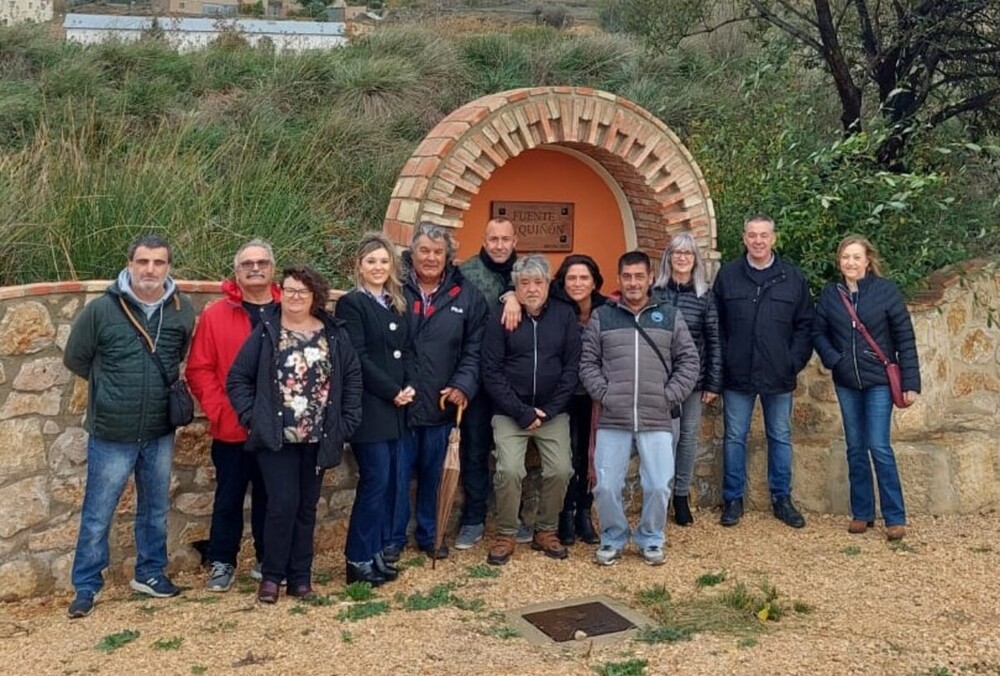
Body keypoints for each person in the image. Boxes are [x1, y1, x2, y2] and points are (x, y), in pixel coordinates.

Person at [64, 234, 196, 618]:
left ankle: (151, 573)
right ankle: (86, 586)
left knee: (154, 509)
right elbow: (77, 358)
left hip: (159, 429)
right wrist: (111, 390)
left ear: (168, 266)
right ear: (130, 264)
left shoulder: (181, 309)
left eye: (158, 262)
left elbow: (179, 353)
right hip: (111, 431)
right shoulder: (101, 311)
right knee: (98, 512)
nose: (150, 270)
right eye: (143, 262)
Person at [227, 266, 362, 603]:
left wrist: (345, 424)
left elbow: (352, 380)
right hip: (277, 437)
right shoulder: (267, 332)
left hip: (319, 438)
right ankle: (272, 576)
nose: (295, 297)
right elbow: (238, 379)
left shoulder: (333, 334)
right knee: (282, 504)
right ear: (281, 293)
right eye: (289, 290)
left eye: (302, 291)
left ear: (315, 296)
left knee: (306, 508)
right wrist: (252, 418)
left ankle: (301, 578)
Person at [580, 250, 699, 566]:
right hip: (613, 417)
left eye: (639, 276)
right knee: (605, 486)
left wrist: (669, 395)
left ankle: (650, 537)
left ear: (649, 278)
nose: (633, 282)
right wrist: (604, 394)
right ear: (619, 279)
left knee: (660, 484)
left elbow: (689, 360)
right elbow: (588, 362)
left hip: (656, 415)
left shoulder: (669, 315)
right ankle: (613, 537)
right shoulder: (603, 316)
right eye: (627, 276)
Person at [388, 223, 487, 562]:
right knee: (396, 479)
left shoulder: (467, 294)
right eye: (424, 251)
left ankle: (431, 535)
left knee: (435, 477)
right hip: (398, 405)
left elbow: (476, 348)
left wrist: (463, 385)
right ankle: (393, 539)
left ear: (448, 256)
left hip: (442, 405)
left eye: (438, 252)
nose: (431, 258)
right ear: (411, 253)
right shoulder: (392, 288)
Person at [186, 239, 280, 592]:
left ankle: (267, 559)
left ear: (272, 268)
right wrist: (221, 411)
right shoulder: (216, 314)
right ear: (236, 272)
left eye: (262, 263)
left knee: (271, 497)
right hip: (233, 427)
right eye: (247, 264)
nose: (255, 268)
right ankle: (222, 561)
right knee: (228, 497)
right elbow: (199, 369)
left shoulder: (290, 310)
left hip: (276, 427)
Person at [813, 235, 920, 541]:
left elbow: (905, 339)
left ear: (868, 260)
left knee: (879, 446)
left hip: (879, 384)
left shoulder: (886, 292)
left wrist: (911, 382)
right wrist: (835, 359)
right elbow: (818, 332)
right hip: (847, 382)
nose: (851, 263)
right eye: (846, 257)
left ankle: (895, 516)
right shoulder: (831, 294)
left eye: (856, 257)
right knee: (855, 448)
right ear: (839, 261)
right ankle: (862, 513)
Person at [713, 215, 814, 529]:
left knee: (780, 437)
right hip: (738, 373)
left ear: (774, 238)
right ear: (744, 238)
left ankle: (782, 499)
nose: (758, 241)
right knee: (734, 437)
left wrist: (791, 360)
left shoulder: (792, 277)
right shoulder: (728, 276)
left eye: (764, 235)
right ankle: (732, 499)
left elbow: (805, 326)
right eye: (753, 235)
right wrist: (726, 359)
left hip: (777, 373)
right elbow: (716, 325)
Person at [481, 255, 580, 565]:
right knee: (509, 470)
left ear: (549, 284)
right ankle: (506, 534)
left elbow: (571, 369)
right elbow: (491, 372)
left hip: (553, 412)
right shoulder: (502, 317)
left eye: (538, 282)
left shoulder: (564, 316)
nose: (532, 289)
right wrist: (522, 412)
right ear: (516, 286)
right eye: (524, 283)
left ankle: (546, 530)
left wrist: (548, 411)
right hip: (510, 412)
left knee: (561, 469)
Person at [334, 233, 415, 586]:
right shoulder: (352, 304)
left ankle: (378, 549)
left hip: (399, 408)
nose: (378, 267)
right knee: (375, 481)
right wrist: (392, 390)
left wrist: (410, 385)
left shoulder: (397, 302)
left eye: (384, 261)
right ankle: (357, 558)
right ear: (359, 266)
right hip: (371, 407)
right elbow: (358, 357)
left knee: (392, 482)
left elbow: (409, 349)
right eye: (371, 262)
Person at [455, 217, 528, 550]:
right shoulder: (466, 273)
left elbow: (546, 298)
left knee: (513, 453)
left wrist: (514, 292)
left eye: (505, 239)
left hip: (516, 380)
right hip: (478, 377)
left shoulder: (527, 273)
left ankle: (512, 518)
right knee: (475, 449)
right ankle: (472, 519)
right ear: (484, 240)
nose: (499, 245)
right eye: (493, 239)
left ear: (515, 241)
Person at [653, 233, 722, 526]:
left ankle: (681, 496)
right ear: (668, 257)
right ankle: (662, 493)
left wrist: (713, 381)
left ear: (696, 260)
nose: (682, 258)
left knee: (689, 439)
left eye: (688, 253)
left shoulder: (704, 295)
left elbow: (714, 339)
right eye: (677, 253)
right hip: (661, 380)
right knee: (668, 437)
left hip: (693, 380)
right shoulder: (654, 292)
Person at [551, 254, 607, 545]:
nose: (577, 283)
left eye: (584, 277)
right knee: (569, 456)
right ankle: (565, 514)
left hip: (595, 398)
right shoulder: (555, 309)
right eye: (571, 278)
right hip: (563, 395)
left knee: (590, 455)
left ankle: (584, 513)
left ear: (595, 281)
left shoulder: (608, 310)